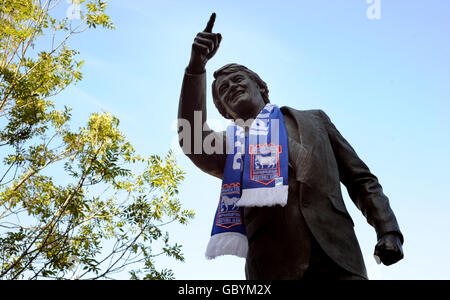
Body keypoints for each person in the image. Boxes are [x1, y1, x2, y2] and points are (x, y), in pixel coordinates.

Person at [178, 13, 404, 280]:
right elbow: (192, 140)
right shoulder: (230, 144)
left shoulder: (315, 121)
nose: (231, 87)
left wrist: (388, 229)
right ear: (225, 112)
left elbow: (361, 179)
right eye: (223, 90)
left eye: (238, 79)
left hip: (339, 257)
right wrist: (196, 68)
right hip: (273, 267)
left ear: (260, 87)